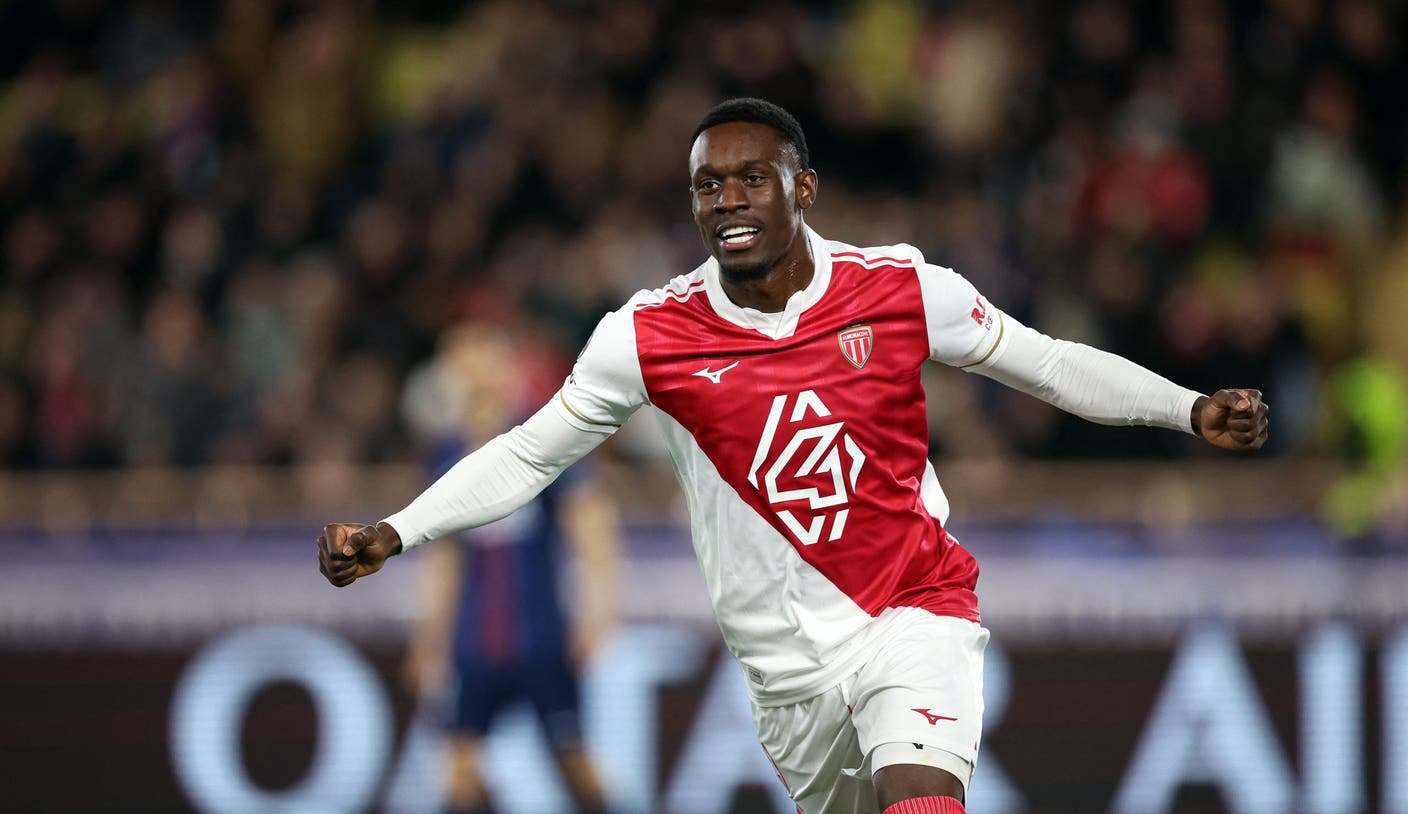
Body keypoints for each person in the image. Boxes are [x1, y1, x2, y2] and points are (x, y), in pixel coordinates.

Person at [318, 98, 1269, 814]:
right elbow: (530, 456)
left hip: (912, 609)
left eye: (751, 179)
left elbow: (1049, 365)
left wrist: (1187, 409)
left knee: (922, 797)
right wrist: (397, 532)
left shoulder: (900, 289)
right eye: (708, 186)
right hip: (786, 677)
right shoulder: (646, 337)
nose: (728, 201)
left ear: (802, 189)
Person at [399, 321, 619, 814]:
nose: (474, 374)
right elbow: (443, 557)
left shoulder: (543, 438)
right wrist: (429, 638)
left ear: (505, 367)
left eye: (485, 360)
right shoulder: (444, 453)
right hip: (473, 642)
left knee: (574, 762)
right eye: (463, 363)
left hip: (541, 637)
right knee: (459, 769)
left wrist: (598, 613)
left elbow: (593, 528)